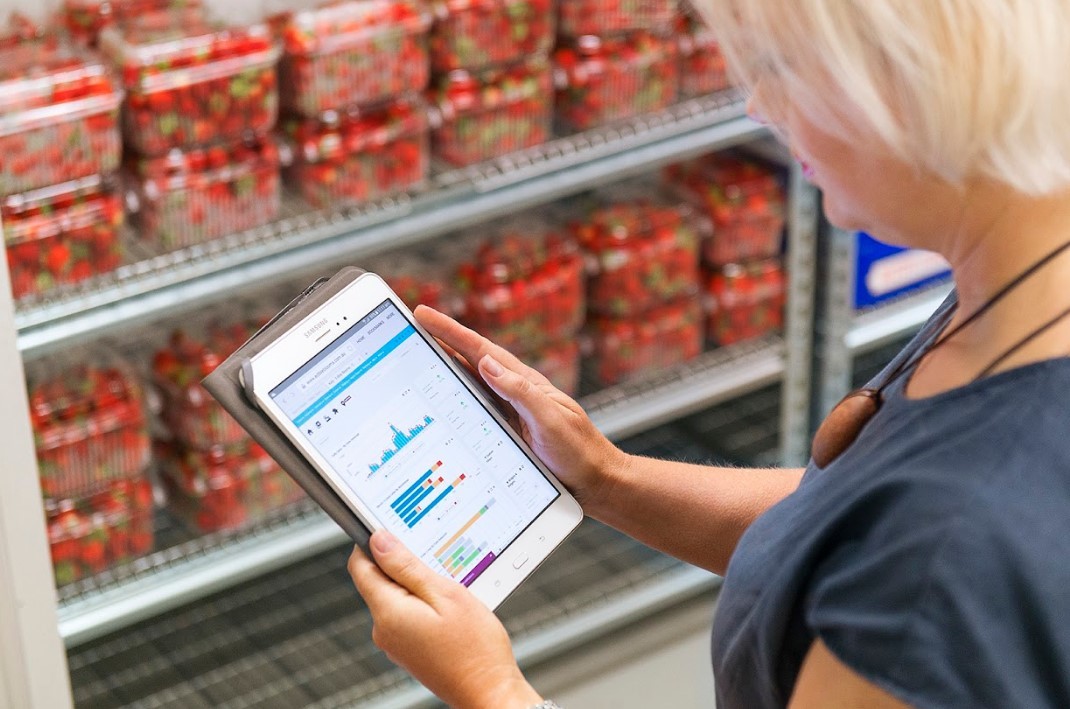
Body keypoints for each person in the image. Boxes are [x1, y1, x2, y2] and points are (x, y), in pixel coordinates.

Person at [348, 1, 1070, 706]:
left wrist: (486, 686)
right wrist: (603, 474)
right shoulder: (1023, 286)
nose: (759, 106)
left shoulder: (937, 569)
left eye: (784, 66)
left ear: (918, 81)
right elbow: (845, 523)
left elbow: (904, 551)